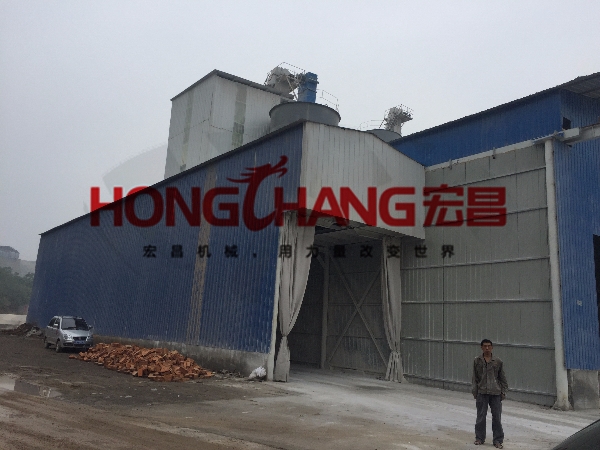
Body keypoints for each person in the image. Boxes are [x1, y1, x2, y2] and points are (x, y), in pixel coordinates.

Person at [472, 339, 508, 448]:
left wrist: (503, 391)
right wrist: (475, 391)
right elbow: (475, 378)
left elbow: (502, 378)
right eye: (485, 346)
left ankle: (497, 440)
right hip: (482, 392)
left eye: (489, 346)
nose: (487, 348)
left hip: (495, 393)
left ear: (492, 347)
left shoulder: (497, 361)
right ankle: (479, 438)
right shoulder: (477, 361)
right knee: (481, 417)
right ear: (481, 347)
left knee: (497, 417)